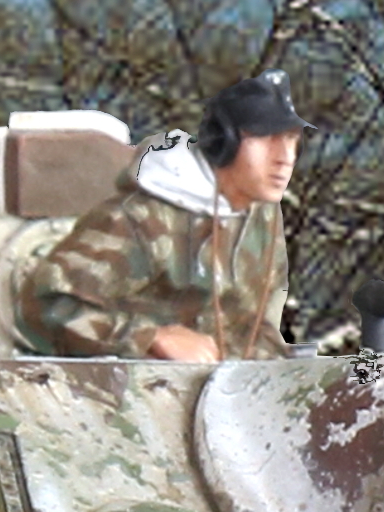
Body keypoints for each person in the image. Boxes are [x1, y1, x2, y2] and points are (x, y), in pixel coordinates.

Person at [18, 72, 310, 360]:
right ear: (224, 142)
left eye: (291, 140)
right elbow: (48, 305)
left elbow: (255, 324)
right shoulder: (142, 220)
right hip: (144, 385)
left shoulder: (262, 217)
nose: (284, 158)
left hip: (229, 384)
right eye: (265, 140)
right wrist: (149, 338)